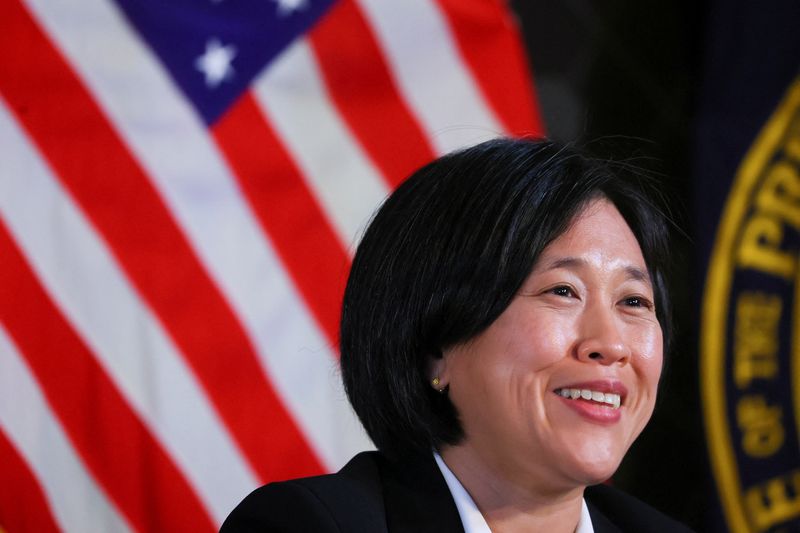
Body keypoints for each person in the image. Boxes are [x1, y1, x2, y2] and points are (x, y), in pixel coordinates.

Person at [220, 138, 694, 532]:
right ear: (435, 350)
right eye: (563, 291)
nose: (610, 344)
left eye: (634, 301)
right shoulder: (309, 526)